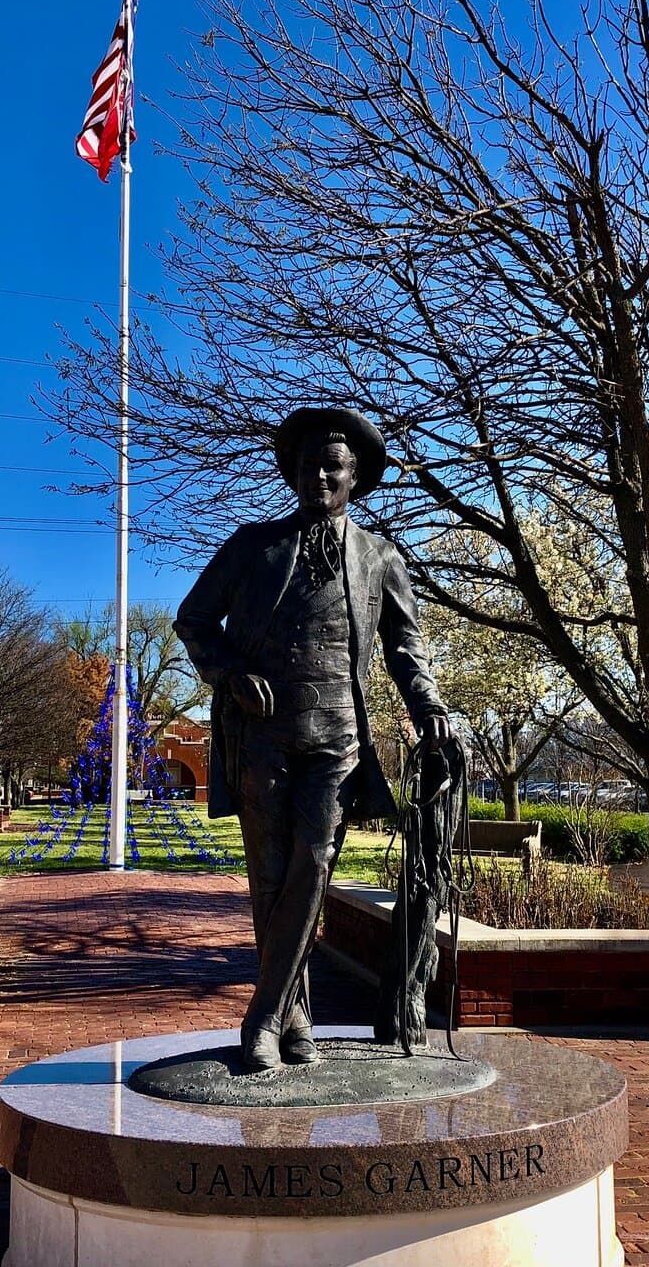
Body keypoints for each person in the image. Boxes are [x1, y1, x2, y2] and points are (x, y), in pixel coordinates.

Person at [174, 407, 450, 1069]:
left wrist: (430, 705)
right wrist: (230, 674)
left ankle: (262, 1018)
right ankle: (295, 1018)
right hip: (262, 738)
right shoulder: (252, 546)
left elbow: (406, 650)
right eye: (308, 466)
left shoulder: (381, 558)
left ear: (355, 476)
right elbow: (193, 620)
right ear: (292, 474)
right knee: (269, 881)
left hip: (339, 740)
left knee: (314, 868)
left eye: (333, 466)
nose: (319, 476)